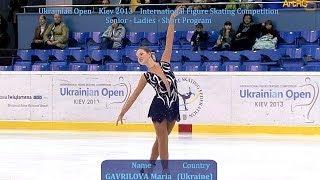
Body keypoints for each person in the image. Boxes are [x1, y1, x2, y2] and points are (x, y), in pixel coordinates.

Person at [116, 6, 182, 173]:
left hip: (173, 104)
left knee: (160, 140)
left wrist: (172, 18)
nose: (139, 57)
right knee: (163, 140)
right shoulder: (146, 77)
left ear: (149, 53)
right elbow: (134, 96)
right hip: (159, 107)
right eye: (137, 57)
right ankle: (166, 170)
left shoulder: (165, 62)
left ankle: (149, 168)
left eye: (141, 54)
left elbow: (169, 40)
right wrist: (123, 112)